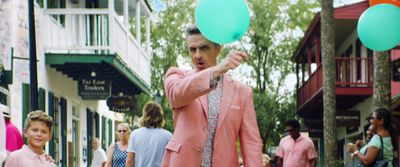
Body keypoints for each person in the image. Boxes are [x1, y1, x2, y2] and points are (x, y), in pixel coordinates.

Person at [162, 26, 263, 166]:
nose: (197, 55)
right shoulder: (177, 77)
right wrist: (216, 71)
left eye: (204, 48)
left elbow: (251, 143)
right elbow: (176, 95)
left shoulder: (242, 92)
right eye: (192, 49)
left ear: (218, 48)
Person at [126, 101, 172, 167]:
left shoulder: (135, 134)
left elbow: (129, 161)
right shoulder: (168, 136)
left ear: (144, 115)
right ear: (160, 115)